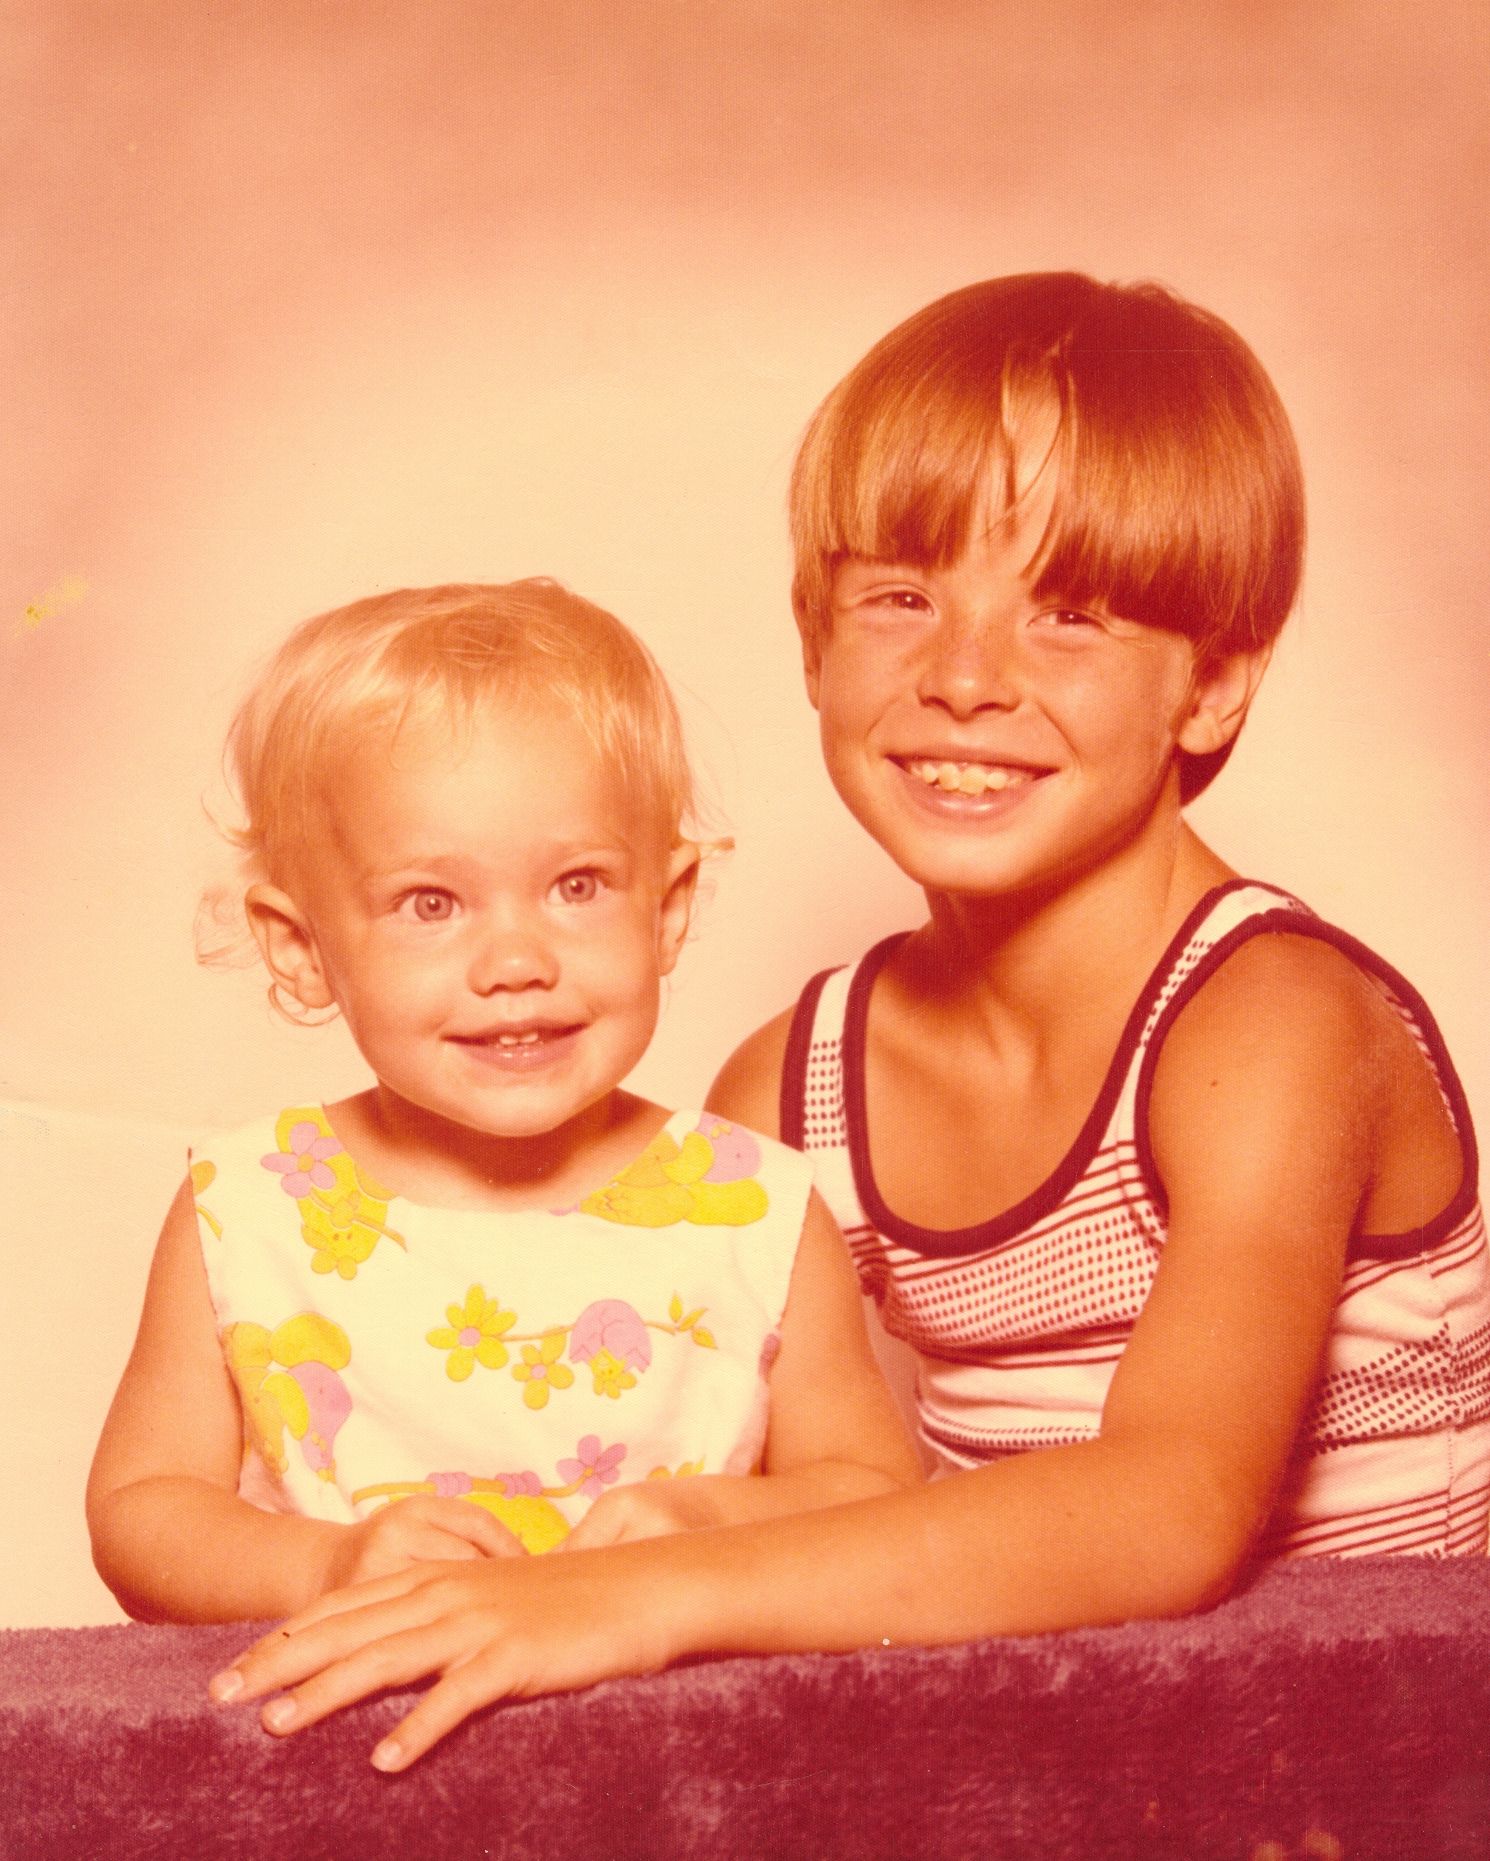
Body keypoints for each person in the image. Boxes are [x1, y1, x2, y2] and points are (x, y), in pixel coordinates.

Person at [206, 275, 1490, 1771]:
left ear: (1208, 686)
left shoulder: (1274, 1018)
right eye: (900, 598)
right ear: (813, 644)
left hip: (1368, 1758)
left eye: (1068, 615)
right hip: (1030, 1767)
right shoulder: (797, 1084)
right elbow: (755, 1479)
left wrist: (639, 1594)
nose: (964, 678)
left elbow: (1171, 1507)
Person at [87, 580, 920, 1626]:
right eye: (430, 903)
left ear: (665, 909)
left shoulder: (756, 1207)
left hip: (678, 1717)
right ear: (301, 948)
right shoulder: (248, 1207)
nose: (517, 961)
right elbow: (142, 1509)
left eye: (577, 885)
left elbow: (880, 1495)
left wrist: (717, 1522)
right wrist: (326, 1566)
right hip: (349, 1719)